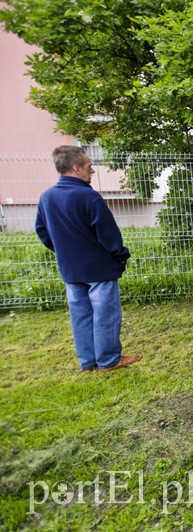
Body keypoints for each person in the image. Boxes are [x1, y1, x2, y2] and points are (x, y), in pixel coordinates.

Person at [35, 145, 140, 373]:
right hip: (99, 269)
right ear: (76, 168)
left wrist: (64, 251)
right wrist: (120, 257)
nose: (91, 169)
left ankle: (88, 362)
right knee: (105, 315)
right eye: (88, 165)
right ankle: (109, 360)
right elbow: (108, 235)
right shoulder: (89, 197)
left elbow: (42, 232)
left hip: (70, 269)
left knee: (80, 316)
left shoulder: (47, 198)